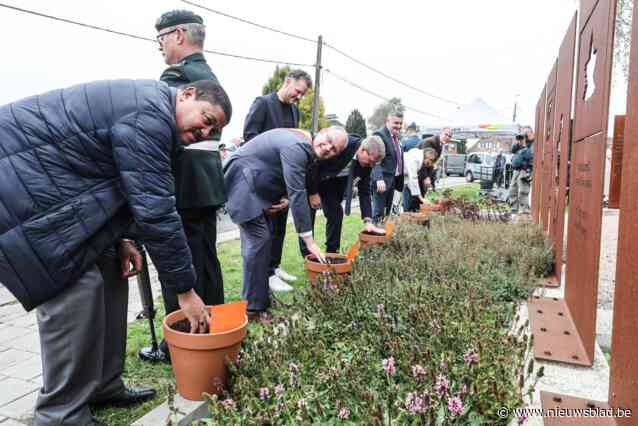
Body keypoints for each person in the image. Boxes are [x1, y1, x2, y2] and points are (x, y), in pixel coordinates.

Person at [0, 79, 231, 426]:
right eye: (207, 118)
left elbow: (112, 181)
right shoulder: (149, 112)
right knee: (77, 289)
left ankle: (103, 385)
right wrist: (185, 291)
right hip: (18, 193)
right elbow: (155, 210)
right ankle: (59, 413)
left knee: (112, 272)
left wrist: (122, 240)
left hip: (55, 190)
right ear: (186, 94)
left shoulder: (152, 116)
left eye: (213, 130)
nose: (205, 131)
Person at [138, 10, 228, 363]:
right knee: (206, 261)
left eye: (160, 39)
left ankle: (180, 338)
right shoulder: (209, 74)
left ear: (177, 36)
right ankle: (214, 324)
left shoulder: (178, 76)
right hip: (206, 185)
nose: (160, 48)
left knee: (180, 263)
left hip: (184, 185)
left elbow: (168, 132)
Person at [224, 127, 348, 323]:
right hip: (242, 182)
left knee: (260, 242)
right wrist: (309, 240)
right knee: (259, 241)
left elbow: (286, 178)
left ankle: (259, 299)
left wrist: (283, 199)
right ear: (322, 132)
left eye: (334, 149)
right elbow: (298, 192)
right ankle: (253, 309)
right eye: (328, 140)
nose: (328, 148)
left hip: (254, 185)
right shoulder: (298, 147)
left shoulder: (304, 147)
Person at [243, 69, 313, 292]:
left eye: (302, 94)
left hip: (284, 178)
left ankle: (275, 266)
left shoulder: (294, 110)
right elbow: (249, 136)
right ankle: (266, 273)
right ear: (288, 82)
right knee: (267, 229)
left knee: (281, 227)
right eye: (297, 91)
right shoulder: (262, 103)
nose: (299, 97)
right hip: (264, 177)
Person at [301, 134, 388, 256]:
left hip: (332, 185)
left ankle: (332, 253)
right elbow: (314, 163)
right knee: (307, 217)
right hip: (312, 179)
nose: (372, 166)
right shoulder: (342, 144)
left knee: (336, 214)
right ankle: (307, 255)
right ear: (363, 150)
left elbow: (364, 191)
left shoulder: (367, 164)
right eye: (371, 161)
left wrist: (368, 220)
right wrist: (313, 193)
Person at [371, 111, 405, 223]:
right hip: (382, 182)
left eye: (400, 123)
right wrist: (379, 179)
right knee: (378, 213)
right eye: (396, 123)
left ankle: (384, 236)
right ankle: (373, 238)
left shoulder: (396, 138)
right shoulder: (379, 135)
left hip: (393, 182)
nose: (399, 126)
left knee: (388, 214)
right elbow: (374, 159)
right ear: (387, 121)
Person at [509, 127, 535, 215]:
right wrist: (518, 142)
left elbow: (530, 156)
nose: (524, 134)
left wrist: (524, 146)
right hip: (516, 169)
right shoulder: (521, 141)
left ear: (531, 133)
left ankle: (525, 212)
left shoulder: (534, 143)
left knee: (523, 191)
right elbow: (512, 149)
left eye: (526, 132)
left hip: (525, 170)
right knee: (512, 190)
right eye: (523, 132)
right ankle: (514, 211)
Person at [417, 127, 453, 191]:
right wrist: (426, 177)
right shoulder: (429, 142)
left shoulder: (440, 145)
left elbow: (432, 163)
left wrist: (431, 178)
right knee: (414, 199)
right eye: (446, 134)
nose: (447, 137)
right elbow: (423, 162)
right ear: (440, 133)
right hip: (417, 174)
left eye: (449, 136)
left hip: (425, 174)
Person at [401, 122, 421, 211]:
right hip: (419, 173)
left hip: (406, 174)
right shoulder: (421, 141)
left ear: (409, 130)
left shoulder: (405, 142)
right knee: (417, 196)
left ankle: (407, 213)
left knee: (406, 197)